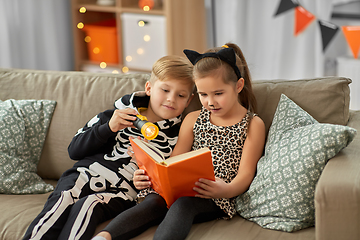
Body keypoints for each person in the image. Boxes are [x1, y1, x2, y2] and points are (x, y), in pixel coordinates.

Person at [93, 43, 266, 240]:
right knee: (153, 201)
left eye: (218, 94)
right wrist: (150, 177)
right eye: (203, 94)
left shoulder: (252, 123)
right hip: (181, 188)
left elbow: (245, 174)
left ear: (238, 86)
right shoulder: (193, 119)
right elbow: (174, 160)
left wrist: (225, 189)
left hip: (216, 197)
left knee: (183, 204)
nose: (210, 102)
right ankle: (104, 237)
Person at [22, 55, 195, 240]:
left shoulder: (181, 135)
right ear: (149, 88)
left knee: (89, 204)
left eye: (181, 95)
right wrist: (108, 128)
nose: (171, 99)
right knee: (64, 198)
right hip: (84, 174)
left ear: (188, 100)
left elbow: (168, 180)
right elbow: (74, 151)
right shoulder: (115, 115)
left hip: (122, 192)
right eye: (165, 90)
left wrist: (148, 178)